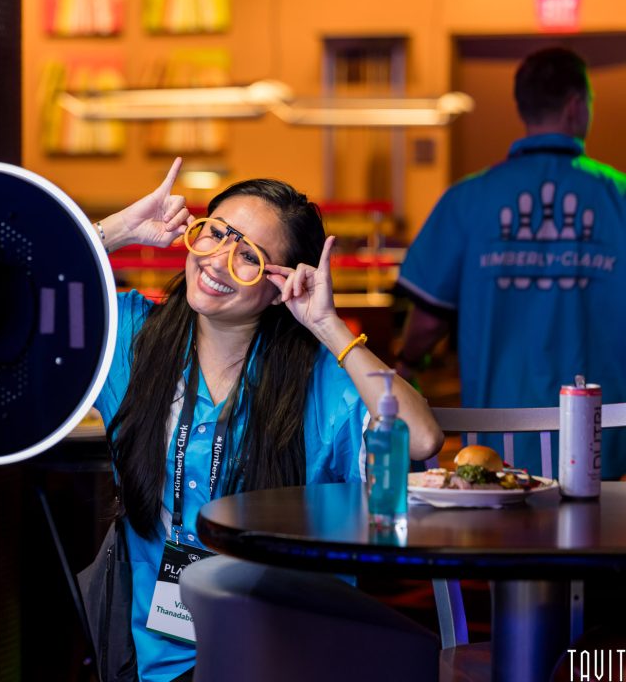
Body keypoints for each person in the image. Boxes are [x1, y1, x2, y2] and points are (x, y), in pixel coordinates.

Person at [92, 158, 443, 681]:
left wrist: (328, 325)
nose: (217, 261)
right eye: (215, 234)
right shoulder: (132, 340)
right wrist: (117, 230)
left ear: (283, 283)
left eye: (249, 256)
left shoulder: (319, 378)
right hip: (158, 657)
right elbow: (8, 281)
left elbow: (421, 438)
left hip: (290, 652)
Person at [396, 46, 626, 480]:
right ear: (577, 107)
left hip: (497, 444)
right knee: (595, 539)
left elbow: (426, 323)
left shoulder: (467, 199)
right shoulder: (619, 197)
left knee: (503, 540)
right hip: (600, 438)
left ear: (523, 107)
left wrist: (409, 363)